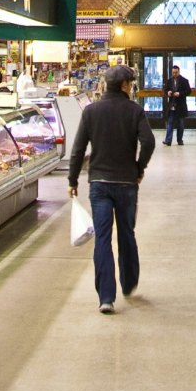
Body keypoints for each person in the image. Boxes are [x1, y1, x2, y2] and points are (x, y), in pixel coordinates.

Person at [68, 64, 155, 314]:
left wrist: (72, 180)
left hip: (99, 184)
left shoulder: (91, 111)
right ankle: (129, 283)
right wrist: (139, 168)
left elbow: (78, 149)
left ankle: (106, 297)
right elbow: (148, 142)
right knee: (127, 233)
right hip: (127, 182)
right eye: (131, 83)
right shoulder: (135, 111)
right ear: (125, 85)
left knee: (102, 238)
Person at [163, 64, 191, 146]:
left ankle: (179, 140)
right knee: (170, 123)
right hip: (172, 105)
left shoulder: (184, 81)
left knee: (180, 124)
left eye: (176, 72)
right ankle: (168, 140)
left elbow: (188, 91)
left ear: (179, 72)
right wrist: (168, 92)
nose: (174, 74)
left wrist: (180, 93)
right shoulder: (169, 81)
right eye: (173, 72)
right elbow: (165, 90)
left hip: (180, 106)